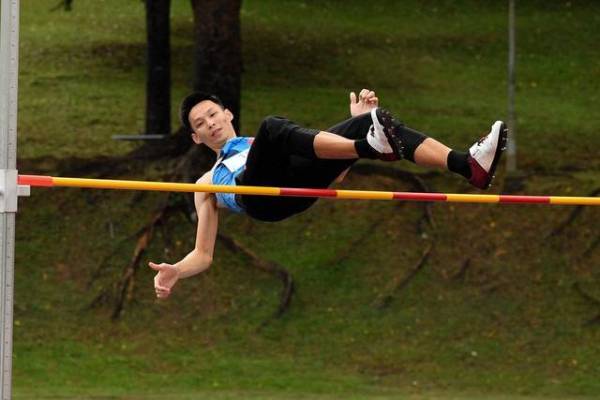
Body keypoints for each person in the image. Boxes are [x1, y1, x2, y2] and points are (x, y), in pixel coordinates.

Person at [149, 89, 508, 298]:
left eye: (212, 115)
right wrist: (176, 271)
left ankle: (468, 165)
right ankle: (369, 143)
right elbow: (203, 253)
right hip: (259, 197)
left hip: (296, 187)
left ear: (227, 114)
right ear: (196, 138)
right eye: (200, 124)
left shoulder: (266, 145)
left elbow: (330, 180)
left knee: (369, 119)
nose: (210, 124)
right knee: (275, 126)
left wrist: (359, 127)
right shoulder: (206, 181)